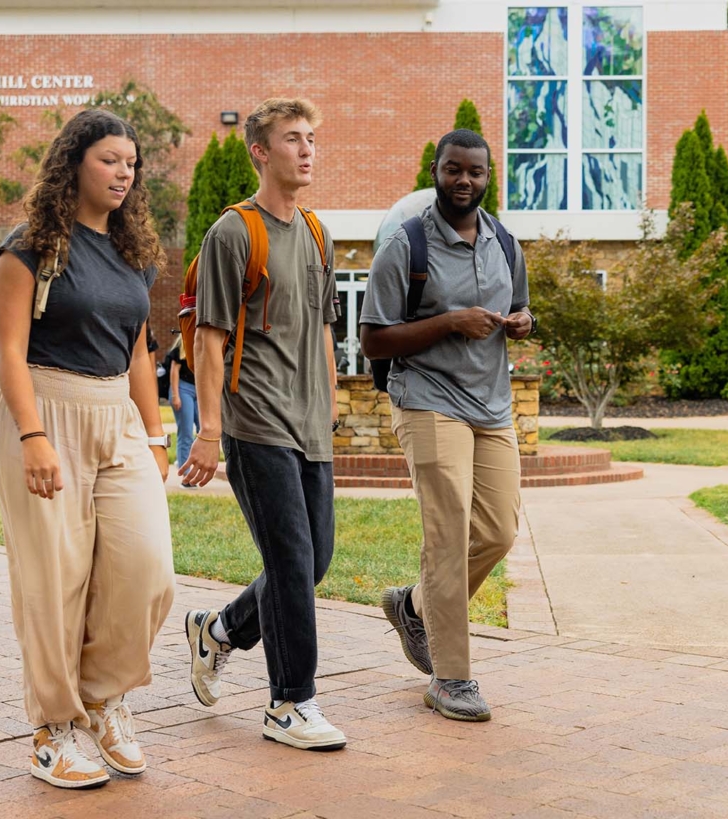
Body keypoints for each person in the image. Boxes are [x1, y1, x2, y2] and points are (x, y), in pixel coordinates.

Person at [0, 108, 175, 789]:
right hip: (45, 407)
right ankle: (53, 727)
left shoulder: (132, 254)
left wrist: (153, 436)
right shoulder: (29, 246)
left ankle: (100, 694)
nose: (123, 172)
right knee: (53, 578)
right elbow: (9, 350)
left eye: (131, 163)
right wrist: (33, 435)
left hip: (115, 412)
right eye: (109, 160)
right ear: (74, 165)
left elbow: (138, 352)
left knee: (148, 566)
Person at [180, 98, 345, 751]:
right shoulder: (232, 233)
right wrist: (209, 428)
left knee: (313, 562)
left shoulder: (317, 232)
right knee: (291, 560)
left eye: (311, 138)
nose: (306, 150)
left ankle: (218, 631)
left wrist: (330, 401)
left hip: (309, 426)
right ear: (260, 150)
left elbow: (323, 327)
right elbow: (211, 337)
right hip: (255, 422)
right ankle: (290, 702)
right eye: (291, 139)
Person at [359, 128, 533, 722]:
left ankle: (413, 607)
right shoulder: (405, 246)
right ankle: (452, 677)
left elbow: (521, 305)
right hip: (428, 398)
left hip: (491, 405)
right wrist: (450, 322)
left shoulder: (505, 245)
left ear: (488, 177)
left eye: (476, 172)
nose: (465, 180)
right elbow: (373, 339)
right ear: (437, 170)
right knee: (449, 530)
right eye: (454, 169)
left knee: (500, 531)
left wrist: (521, 322)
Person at [164, 336, 200, 487]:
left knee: (203, 429)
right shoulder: (182, 345)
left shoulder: (203, 342)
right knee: (185, 431)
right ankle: (187, 477)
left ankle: (186, 460)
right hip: (182, 388)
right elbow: (174, 370)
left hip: (199, 389)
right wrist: (175, 395)